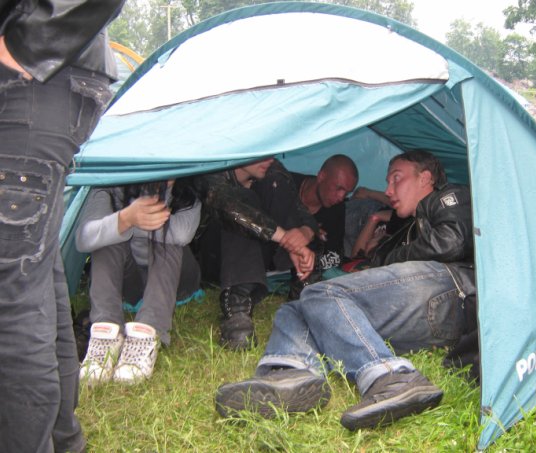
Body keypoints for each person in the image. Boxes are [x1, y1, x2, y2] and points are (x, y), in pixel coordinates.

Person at [215, 150, 476, 430]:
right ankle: (288, 372)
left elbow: (451, 242)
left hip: (452, 290)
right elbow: (373, 262)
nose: (388, 190)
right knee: (297, 307)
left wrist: (386, 262)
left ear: (425, 178)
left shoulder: (450, 196)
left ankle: (390, 377)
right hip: (421, 313)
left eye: (396, 179)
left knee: (320, 293)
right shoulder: (405, 230)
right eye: (387, 182)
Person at [0, 2, 124, 452]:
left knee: (9, 298)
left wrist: (30, 45)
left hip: (33, 74)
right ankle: (63, 439)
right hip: (51, 76)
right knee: (32, 276)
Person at [76, 179, 201, 384]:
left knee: (169, 241)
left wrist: (132, 222)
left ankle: (147, 332)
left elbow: (182, 233)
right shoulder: (109, 185)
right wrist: (125, 218)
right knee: (106, 240)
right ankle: (105, 332)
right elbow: (84, 238)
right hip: (130, 281)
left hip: (176, 280)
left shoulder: (190, 185)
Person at [192, 156, 317, 350]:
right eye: (262, 152)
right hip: (211, 257)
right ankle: (237, 308)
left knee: (276, 184)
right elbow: (228, 206)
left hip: (256, 257)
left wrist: (303, 234)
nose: (269, 159)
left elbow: (300, 210)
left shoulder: (271, 167)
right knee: (244, 199)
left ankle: (303, 284)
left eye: (272, 152)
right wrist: (286, 239)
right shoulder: (211, 167)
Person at [291, 154, 358, 269]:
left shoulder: (337, 208)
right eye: (339, 188)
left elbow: (335, 256)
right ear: (321, 176)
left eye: (347, 193)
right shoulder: (285, 185)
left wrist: (311, 260)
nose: (341, 197)